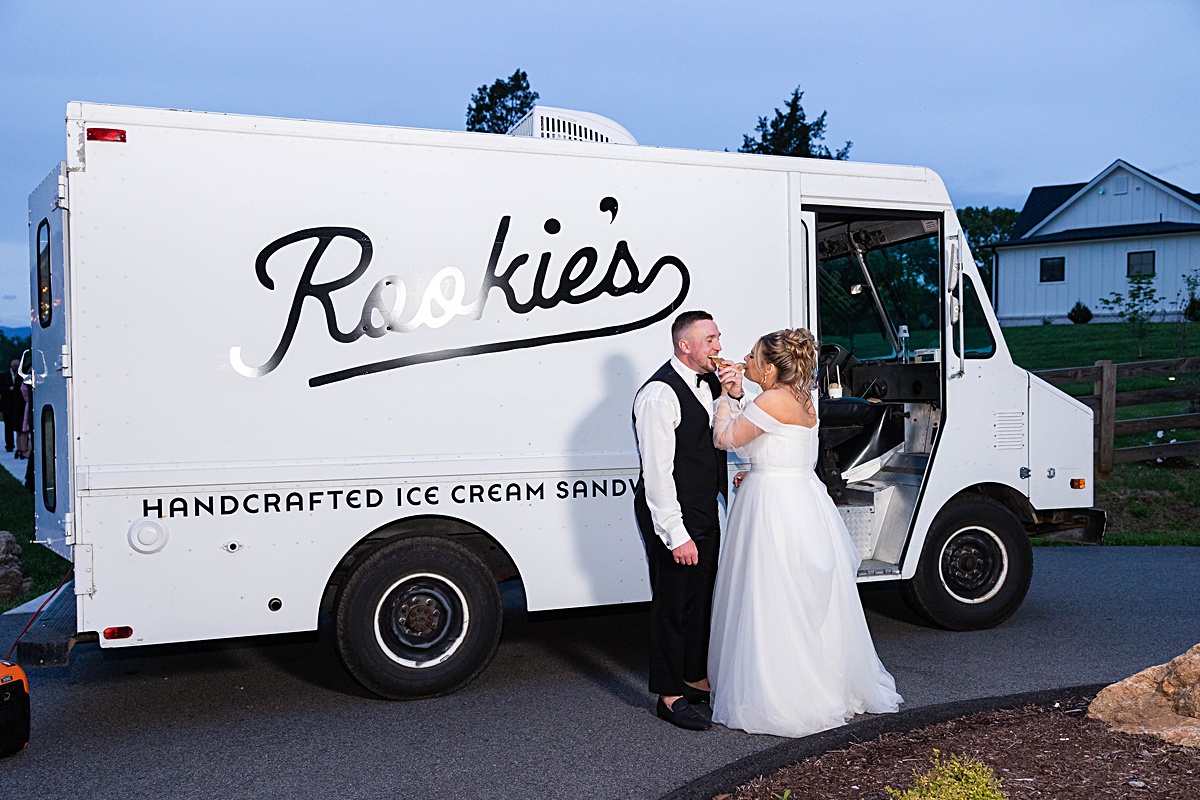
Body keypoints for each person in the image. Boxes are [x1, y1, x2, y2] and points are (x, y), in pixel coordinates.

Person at [708, 328, 902, 737]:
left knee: (772, 594)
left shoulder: (771, 399)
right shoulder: (801, 397)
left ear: (769, 367)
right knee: (804, 596)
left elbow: (726, 439)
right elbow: (776, 444)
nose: (745, 358)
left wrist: (726, 398)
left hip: (774, 505)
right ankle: (821, 680)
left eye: (752, 355)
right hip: (800, 496)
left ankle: (783, 692)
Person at [633, 310, 744, 731]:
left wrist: (732, 395)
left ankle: (695, 677)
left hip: (701, 506)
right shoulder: (659, 394)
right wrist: (675, 535)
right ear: (686, 345)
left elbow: (725, 434)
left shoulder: (713, 382)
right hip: (671, 510)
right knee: (672, 604)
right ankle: (668, 695)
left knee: (701, 598)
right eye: (711, 338)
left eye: (718, 337)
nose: (719, 345)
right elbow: (658, 474)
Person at [2, 359, 21, 455]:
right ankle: (9, 445)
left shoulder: (20, 375)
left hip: (17, 405)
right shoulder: (4, 376)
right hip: (7, 405)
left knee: (19, 425)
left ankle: (20, 445)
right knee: (8, 426)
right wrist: (8, 389)